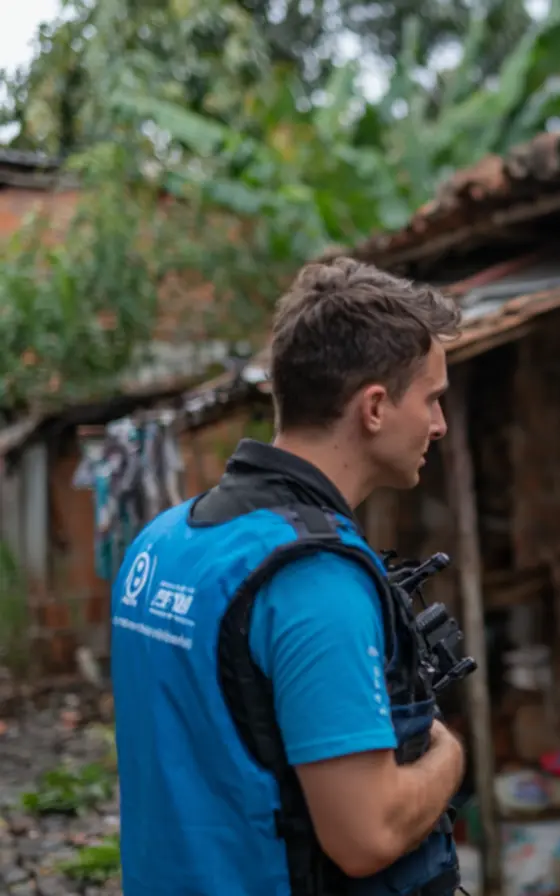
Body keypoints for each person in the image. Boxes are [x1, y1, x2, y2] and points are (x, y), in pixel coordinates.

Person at [110, 258, 469, 895]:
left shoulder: (158, 542)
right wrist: (448, 755)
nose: (439, 425)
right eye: (433, 398)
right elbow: (367, 837)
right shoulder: (314, 579)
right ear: (376, 408)